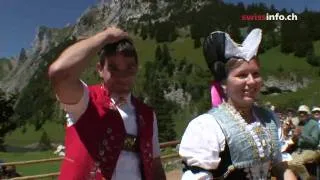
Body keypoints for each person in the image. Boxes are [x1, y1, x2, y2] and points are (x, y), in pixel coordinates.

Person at [48, 27, 165, 180]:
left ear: (136, 68)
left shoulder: (148, 115)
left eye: (129, 68)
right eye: (114, 68)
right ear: (100, 69)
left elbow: (155, 164)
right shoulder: (85, 101)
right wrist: (105, 36)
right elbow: (59, 72)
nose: (122, 76)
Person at [179, 28, 296, 179]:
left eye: (255, 74)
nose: (251, 81)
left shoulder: (269, 120)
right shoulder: (207, 127)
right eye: (242, 75)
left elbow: (280, 167)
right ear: (224, 84)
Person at [288, 105, 320, 180]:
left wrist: (301, 135)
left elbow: (314, 142)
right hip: (298, 150)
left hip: (311, 150)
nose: (302, 114)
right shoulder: (299, 124)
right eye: (300, 112)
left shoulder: (314, 124)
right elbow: (295, 141)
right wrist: (294, 137)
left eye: (304, 112)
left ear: (308, 114)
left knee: (296, 163)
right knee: (288, 164)